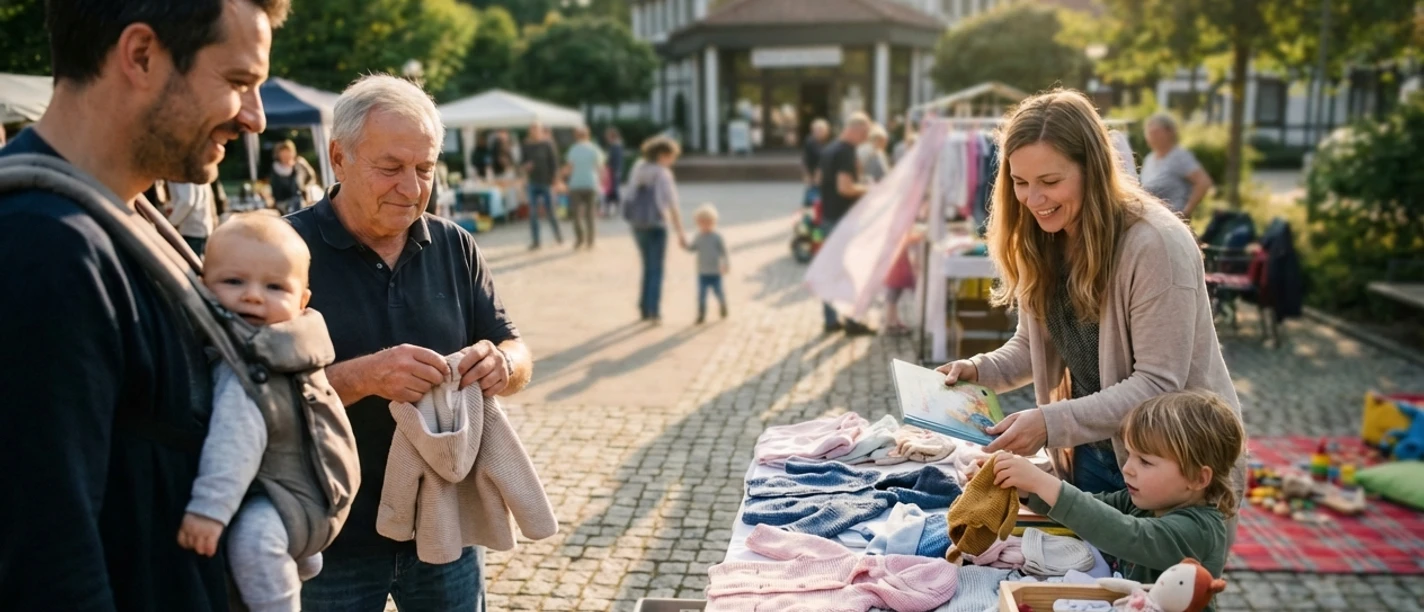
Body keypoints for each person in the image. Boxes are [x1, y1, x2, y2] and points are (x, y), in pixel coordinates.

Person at [0, 0, 287, 608]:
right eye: (239, 82)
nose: (256, 118)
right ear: (140, 55)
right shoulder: (43, 250)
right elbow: (47, 563)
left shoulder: (127, 221)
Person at [287, 75, 534, 612]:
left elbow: (515, 349)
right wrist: (365, 377)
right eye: (391, 168)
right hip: (331, 537)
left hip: (446, 525)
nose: (411, 187)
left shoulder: (453, 243)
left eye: (424, 169)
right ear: (338, 157)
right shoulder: (285, 250)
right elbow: (247, 390)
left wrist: (501, 364)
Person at [935, 89, 1240, 497]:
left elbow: (1157, 384)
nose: (1034, 199)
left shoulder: (1156, 243)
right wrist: (977, 371)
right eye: (1020, 182)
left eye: (1050, 181)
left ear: (1092, 170)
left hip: (1172, 469)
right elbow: (1032, 346)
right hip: (1088, 456)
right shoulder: (1044, 237)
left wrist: (1049, 423)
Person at [177, 214, 327, 610]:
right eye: (233, 282)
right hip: (303, 490)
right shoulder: (293, 346)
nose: (253, 296)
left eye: (274, 287)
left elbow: (235, 441)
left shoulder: (246, 365)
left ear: (302, 301)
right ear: (204, 287)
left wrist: (209, 510)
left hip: (272, 496)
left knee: (252, 540)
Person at [989, 390, 1244, 587]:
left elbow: (1127, 534)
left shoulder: (1198, 530)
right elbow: (1091, 508)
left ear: (1199, 479)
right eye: (1130, 455)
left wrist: (1043, 482)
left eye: (1145, 461)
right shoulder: (1146, 501)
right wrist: (1024, 489)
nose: (1128, 468)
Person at [817, 113, 875, 336]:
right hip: (843, 221)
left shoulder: (830, 149)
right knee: (852, 271)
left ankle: (831, 320)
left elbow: (820, 179)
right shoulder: (845, 153)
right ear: (856, 129)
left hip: (830, 217)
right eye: (865, 133)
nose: (866, 137)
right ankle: (852, 320)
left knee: (832, 271)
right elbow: (845, 188)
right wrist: (870, 189)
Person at [624, 135, 689, 324]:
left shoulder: (637, 168)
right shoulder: (663, 173)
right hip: (657, 225)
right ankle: (654, 310)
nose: (672, 161)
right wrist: (680, 231)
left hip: (637, 224)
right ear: (662, 155)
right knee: (656, 268)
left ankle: (643, 307)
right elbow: (672, 204)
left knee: (646, 266)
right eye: (671, 156)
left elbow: (628, 195)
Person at [1141, 113, 1213, 217]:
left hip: (1173, 222)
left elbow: (1204, 182)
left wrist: (1186, 212)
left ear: (1169, 132)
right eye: (1148, 132)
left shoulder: (1179, 156)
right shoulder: (1149, 159)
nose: (1151, 136)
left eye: (1155, 132)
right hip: (1153, 220)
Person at [686, 203, 729, 324]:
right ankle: (701, 314)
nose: (705, 226)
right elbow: (692, 248)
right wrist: (685, 244)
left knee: (719, 292)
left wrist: (725, 264)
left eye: (708, 223)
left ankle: (723, 305)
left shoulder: (717, 237)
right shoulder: (699, 236)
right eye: (702, 223)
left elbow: (724, 252)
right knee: (701, 295)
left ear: (713, 222)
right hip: (702, 273)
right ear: (698, 223)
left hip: (715, 272)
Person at [522, 122, 563, 249]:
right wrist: (526, 166)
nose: (533, 132)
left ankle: (558, 235)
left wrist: (556, 180)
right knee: (533, 213)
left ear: (540, 131)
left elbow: (554, 163)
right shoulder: (527, 145)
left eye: (536, 130)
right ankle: (536, 241)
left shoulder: (547, 144)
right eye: (531, 130)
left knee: (550, 211)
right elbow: (522, 162)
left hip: (546, 182)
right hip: (533, 182)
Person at [564, 125, 605, 249]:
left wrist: (562, 179)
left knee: (576, 214)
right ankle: (589, 240)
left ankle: (581, 239)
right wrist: (600, 183)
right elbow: (600, 168)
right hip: (590, 184)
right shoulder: (594, 149)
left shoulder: (573, 149)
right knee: (589, 215)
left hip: (576, 184)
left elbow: (569, 168)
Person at [168, 180, 218, 257]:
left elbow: (187, 201)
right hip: (202, 228)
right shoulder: (196, 172)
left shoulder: (182, 173)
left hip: (191, 231)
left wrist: (171, 222)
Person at [269, 139, 318, 214]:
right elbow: (274, 187)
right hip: (281, 204)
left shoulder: (299, 164)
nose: (285, 155)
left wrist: (306, 188)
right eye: (283, 153)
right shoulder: (275, 168)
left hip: (299, 202)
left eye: (287, 152)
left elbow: (311, 177)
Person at [802, 118, 830, 207]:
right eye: (817, 130)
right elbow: (806, 159)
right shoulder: (811, 141)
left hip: (821, 176)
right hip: (814, 175)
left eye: (822, 130)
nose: (820, 132)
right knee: (812, 199)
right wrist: (807, 175)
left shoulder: (825, 142)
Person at [603, 126, 625, 217]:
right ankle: (611, 209)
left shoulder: (616, 146)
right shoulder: (616, 145)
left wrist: (612, 170)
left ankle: (616, 209)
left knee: (613, 190)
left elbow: (614, 160)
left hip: (613, 171)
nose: (606, 138)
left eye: (608, 136)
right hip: (614, 171)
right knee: (611, 190)